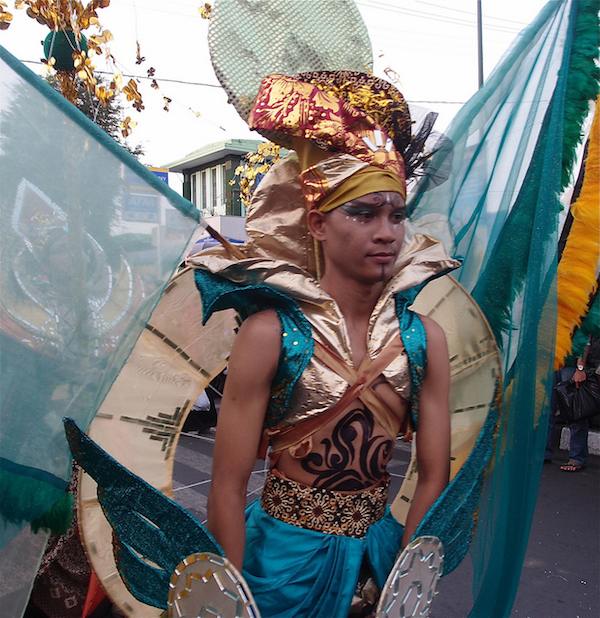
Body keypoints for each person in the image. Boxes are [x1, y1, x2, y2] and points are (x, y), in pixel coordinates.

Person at [189, 72, 458, 616]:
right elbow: (227, 481)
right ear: (317, 223)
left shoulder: (423, 338)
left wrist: (402, 576)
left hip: (381, 558)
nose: (385, 232)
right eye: (362, 213)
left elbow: (435, 472)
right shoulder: (271, 335)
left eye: (396, 214)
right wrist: (233, 595)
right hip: (280, 565)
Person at [559, 334, 600, 472]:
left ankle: (576, 457)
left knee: (577, 411)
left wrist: (580, 368)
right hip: (557, 359)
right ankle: (542, 453)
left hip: (575, 365)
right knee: (547, 409)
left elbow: (585, 336)